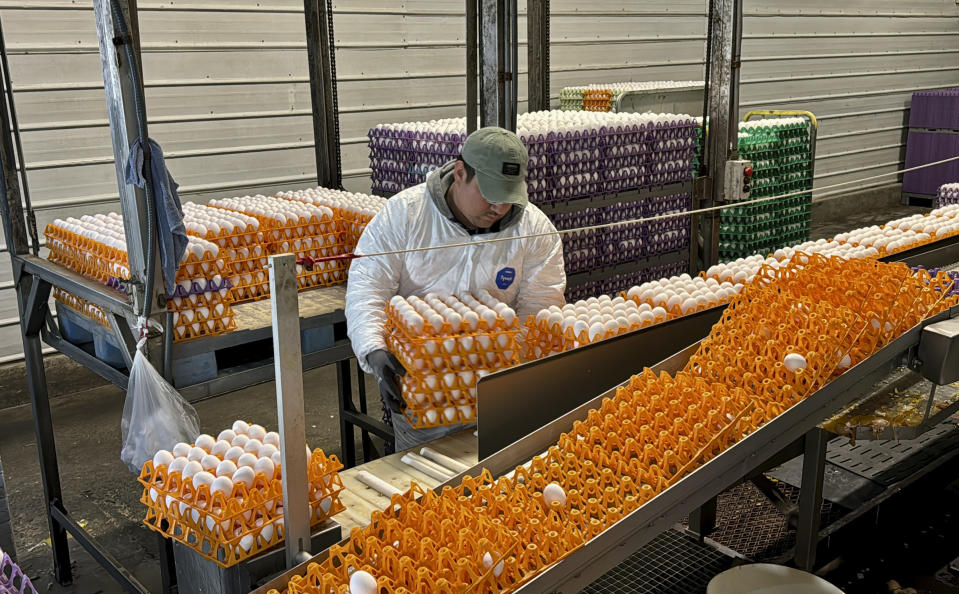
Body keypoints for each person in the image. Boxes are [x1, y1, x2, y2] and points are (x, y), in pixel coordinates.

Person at [346, 126, 566, 451]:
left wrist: (499, 371)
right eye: (490, 193)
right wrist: (373, 348)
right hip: (423, 393)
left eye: (509, 196)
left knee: (495, 482)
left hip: (498, 397)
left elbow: (540, 307)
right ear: (460, 172)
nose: (499, 208)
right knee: (422, 481)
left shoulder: (533, 230)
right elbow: (368, 287)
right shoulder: (405, 215)